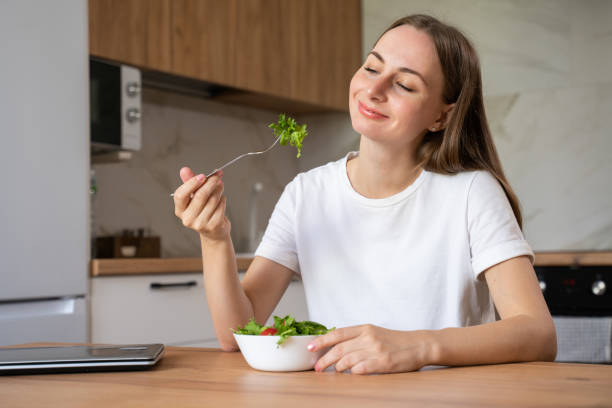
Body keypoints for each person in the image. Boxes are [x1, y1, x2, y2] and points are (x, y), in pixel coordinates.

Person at [173, 14, 557, 374]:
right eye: (372, 67)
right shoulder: (306, 194)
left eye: (404, 84)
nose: (373, 89)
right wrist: (214, 239)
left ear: (442, 117)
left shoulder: (473, 193)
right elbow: (238, 332)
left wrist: (418, 347)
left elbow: (538, 333)